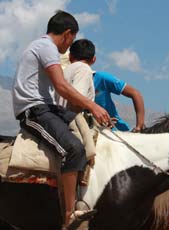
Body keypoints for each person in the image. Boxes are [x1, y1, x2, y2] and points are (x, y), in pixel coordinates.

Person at [12, 10, 111, 227]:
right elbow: (62, 87)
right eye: (72, 39)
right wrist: (92, 105)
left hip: (47, 107)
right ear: (67, 34)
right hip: (34, 110)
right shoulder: (46, 47)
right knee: (74, 148)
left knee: (83, 127)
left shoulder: (46, 49)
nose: (70, 46)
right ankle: (69, 214)